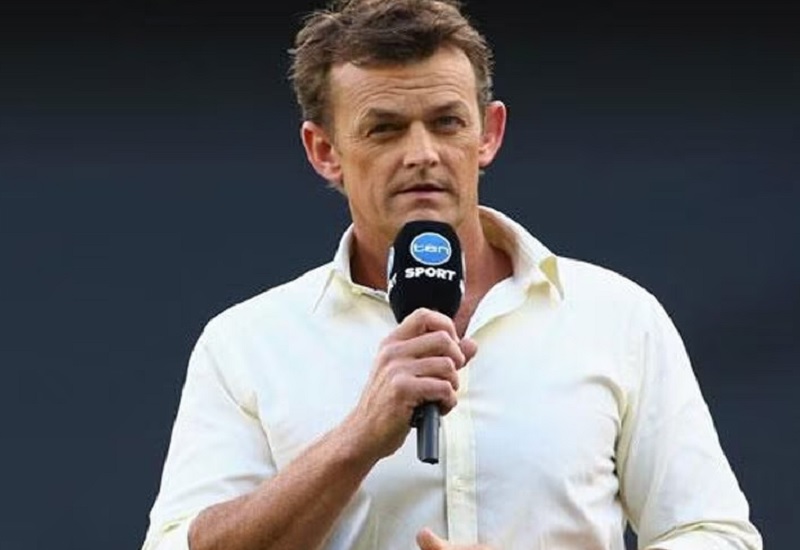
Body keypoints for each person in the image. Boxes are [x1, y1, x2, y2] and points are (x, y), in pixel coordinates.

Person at [141, 1, 762, 549]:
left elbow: (716, 535)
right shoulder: (247, 344)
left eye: (446, 122)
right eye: (384, 129)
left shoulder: (616, 316)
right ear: (324, 151)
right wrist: (358, 438)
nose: (422, 154)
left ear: (488, 134)